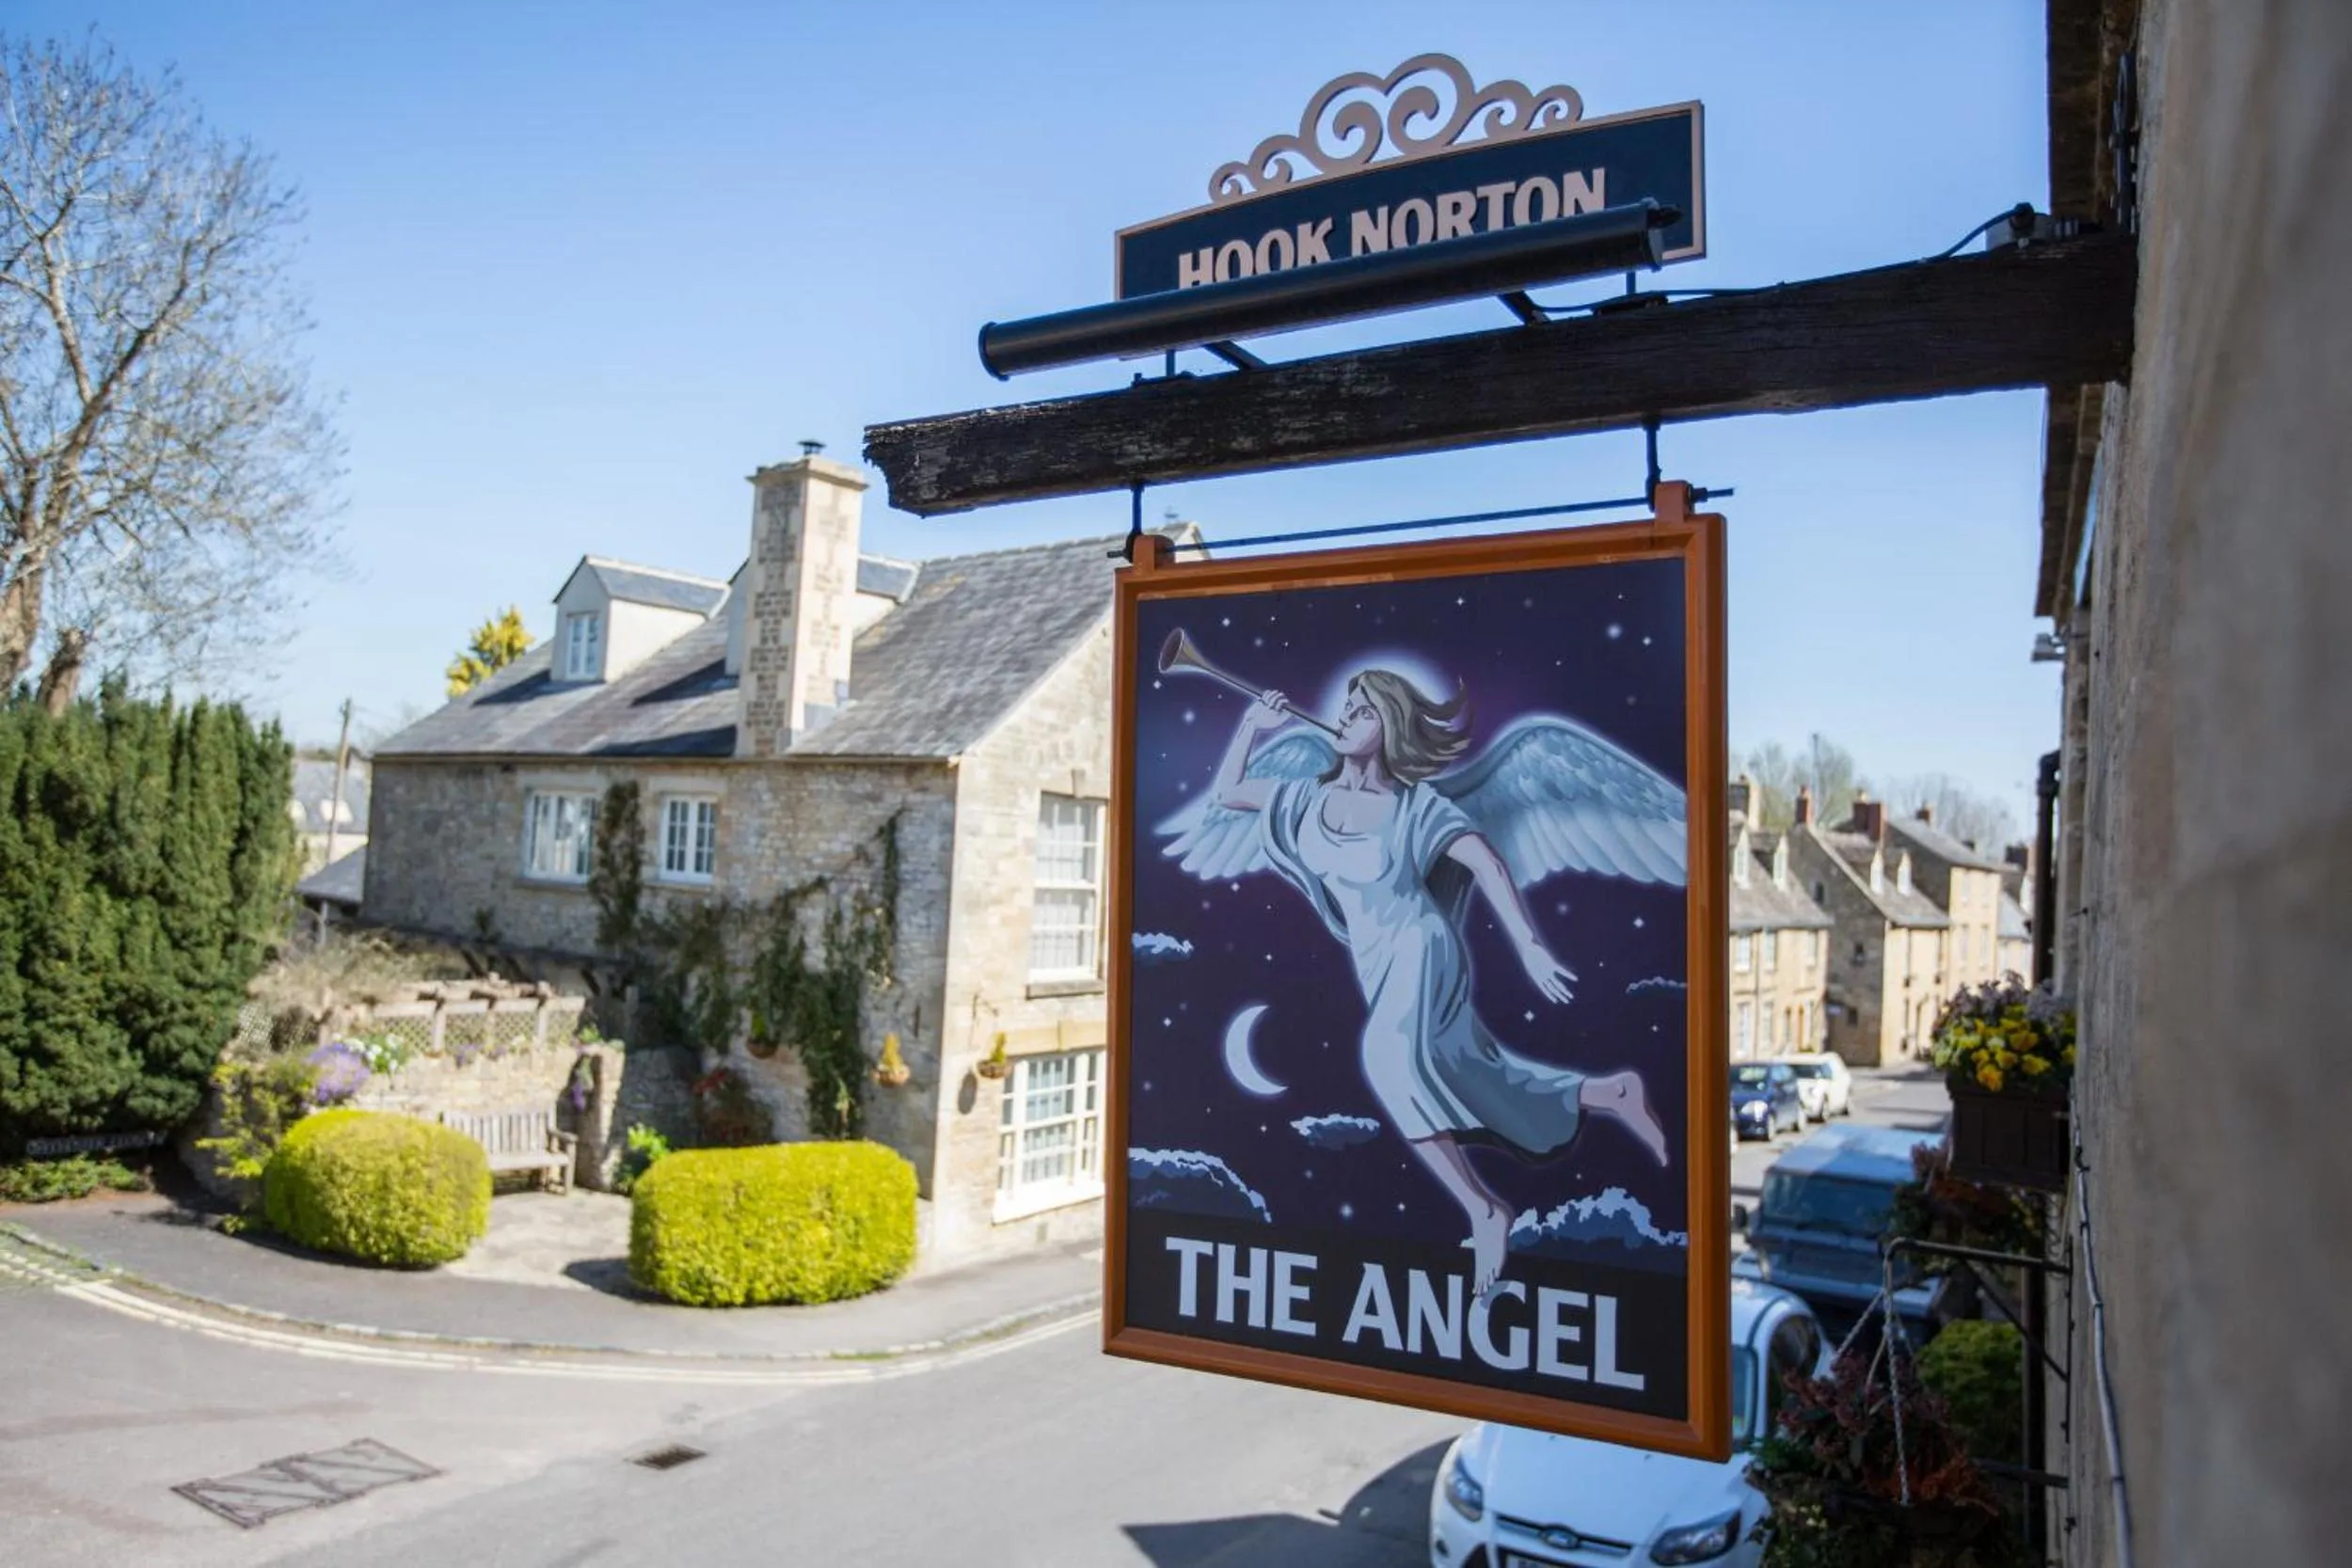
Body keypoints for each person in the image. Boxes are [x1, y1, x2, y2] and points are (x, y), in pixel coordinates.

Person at [1206, 670, 1669, 1295]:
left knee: (1386, 1057)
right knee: (1474, 1072)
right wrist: (1252, 726)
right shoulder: (1303, 798)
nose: (1346, 717)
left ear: (1390, 729)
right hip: (1375, 963)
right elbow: (1230, 791)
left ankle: (1482, 1210)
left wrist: (1529, 944)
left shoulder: (1414, 807)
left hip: (1423, 945)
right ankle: (1609, 1093)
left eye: (1364, 712)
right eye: (1347, 705)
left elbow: (1484, 858)